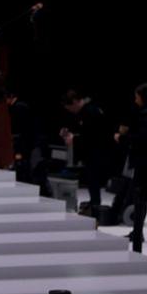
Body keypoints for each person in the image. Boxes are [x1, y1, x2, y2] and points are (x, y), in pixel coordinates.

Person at [59, 89, 114, 218]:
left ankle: (95, 205)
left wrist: (74, 138)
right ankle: (94, 203)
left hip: (98, 151)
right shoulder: (85, 111)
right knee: (91, 179)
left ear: (74, 102)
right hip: (93, 151)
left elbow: (94, 135)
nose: (70, 111)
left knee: (93, 178)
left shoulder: (90, 111)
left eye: (69, 107)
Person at [114, 82, 147, 252]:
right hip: (141, 161)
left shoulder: (144, 115)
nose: (135, 100)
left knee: (140, 198)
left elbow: (141, 139)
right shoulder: (141, 113)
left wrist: (122, 138)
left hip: (143, 162)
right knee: (140, 199)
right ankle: (137, 233)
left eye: (137, 97)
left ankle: (137, 239)